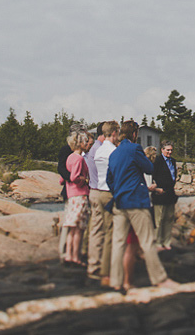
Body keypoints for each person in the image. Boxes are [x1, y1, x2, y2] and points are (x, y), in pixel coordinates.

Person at [107, 120, 177, 291]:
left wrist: (118, 191)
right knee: (147, 241)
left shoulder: (114, 154)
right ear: (134, 133)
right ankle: (159, 279)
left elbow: (109, 180)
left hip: (119, 201)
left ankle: (116, 282)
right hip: (135, 201)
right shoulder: (134, 149)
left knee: (118, 243)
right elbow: (148, 168)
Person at [122, 146, 160, 290]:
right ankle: (144, 264)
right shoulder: (145, 168)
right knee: (145, 235)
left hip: (136, 202)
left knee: (133, 240)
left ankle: (129, 278)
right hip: (142, 203)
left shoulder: (136, 166)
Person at [88, 121, 119, 286]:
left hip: (98, 190)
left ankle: (97, 265)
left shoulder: (98, 150)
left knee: (98, 230)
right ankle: (104, 270)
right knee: (108, 232)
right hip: (107, 192)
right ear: (114, 133)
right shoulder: (112, 151)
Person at [60, 130, 92, 266]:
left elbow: (63, 179)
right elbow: (74, 177)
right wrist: (84, 180)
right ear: (79, 143)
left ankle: (69, 255)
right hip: (80, 195)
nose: (87, 144)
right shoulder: (79, 158)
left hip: (71, 194)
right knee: (78, 228)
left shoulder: (70, 158)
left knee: (72, 227)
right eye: (85, 142)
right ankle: (75, 257)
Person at [57, 122, 85, 262]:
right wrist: (72, 179)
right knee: (69, 222)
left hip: (79, 190)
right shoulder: (66, 150)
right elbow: (60, 168)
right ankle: (64, 252)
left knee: (77, 224)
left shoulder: (82, 151)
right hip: (71, 190)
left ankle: (75, 252)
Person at [152, 140, 178, 250]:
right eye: (167, 150)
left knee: (169, 218)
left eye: (171, 150)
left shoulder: (173, 161)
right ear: (162, 150)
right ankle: (158, 242)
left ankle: (166, 241)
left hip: (170, 193)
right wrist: (156, 188)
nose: (170, 152)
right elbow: (152, 176)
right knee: (158, 219)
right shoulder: (157, 160)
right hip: (159, 194)